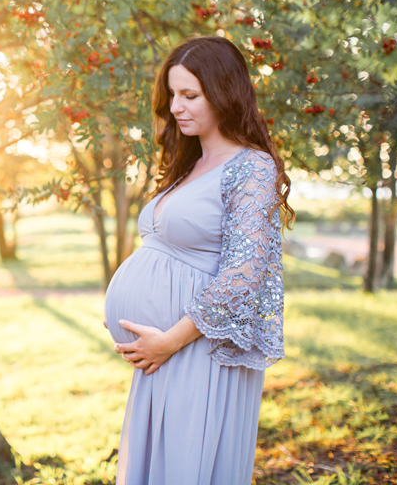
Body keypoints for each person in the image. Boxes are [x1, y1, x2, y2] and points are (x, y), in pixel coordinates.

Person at [103, 35, 292, 485]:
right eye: (172, 95)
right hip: (164, 354)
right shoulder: (189, 166)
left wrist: (170, 340)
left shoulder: (251, 167)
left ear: (225, 93)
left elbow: (244, 275)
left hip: (199, 348)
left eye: (190, 95)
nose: (176, 106)